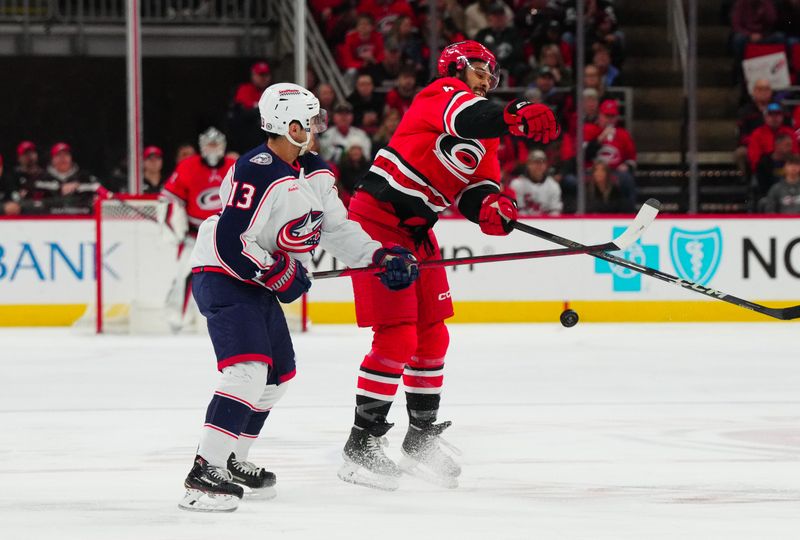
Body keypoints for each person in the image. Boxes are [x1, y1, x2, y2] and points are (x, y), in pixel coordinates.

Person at [179, 82, 418, 512]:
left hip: (255, 279)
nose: (314, 128)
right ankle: (203, 473)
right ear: (286, 124)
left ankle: (232, 459)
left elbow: (337, 228)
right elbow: (234, 241)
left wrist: (377, 255)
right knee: (248, 372)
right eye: (307, 121)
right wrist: (276, 271)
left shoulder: (316, 172)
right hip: (223, 273)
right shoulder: (257, 167)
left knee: (276, 378)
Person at [337, 40, 558, 491]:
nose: (485, 79)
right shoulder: (440, 94)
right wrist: (515, 110)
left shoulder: (487, 131)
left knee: (433, 333)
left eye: (491, 74)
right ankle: (360, 444)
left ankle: (419, 438)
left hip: (420, 232)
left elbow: (475, 189)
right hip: (377, 222)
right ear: (457, 67)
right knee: (396, 334)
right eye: (479, 69)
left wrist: (493, 208)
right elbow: (468, 117)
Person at [160, 128, 236, 332]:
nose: (212, 150)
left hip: (225, 232)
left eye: (216, 145)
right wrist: (175, 227)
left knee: (237, 274)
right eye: (208, 145)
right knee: (185, 272)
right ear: (201, 147)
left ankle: (240, 315)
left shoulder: (234, 166)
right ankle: (177, 315)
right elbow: (169, 198)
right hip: (195, 232)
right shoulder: (188, 165)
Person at [20, 142, 101, 215]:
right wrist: (59, 188)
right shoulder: (42, 176)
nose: (62, 158)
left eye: (66, 154)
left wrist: (78, 186)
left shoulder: (83, 176)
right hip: (48, 219)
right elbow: (28, 193)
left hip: (81, 217)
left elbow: (98, 189)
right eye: (58, 155)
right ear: (52, 159)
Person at [229, 62, 273, 153]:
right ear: (253, 75)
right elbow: (242, 114)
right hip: (246, 142)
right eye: (260, 75)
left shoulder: (273, 91)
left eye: (266, 75)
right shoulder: (245, 89)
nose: (263, 78)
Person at [509, 150, 563, 215]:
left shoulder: (553, 186)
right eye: (536, 162)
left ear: (546, 165)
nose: (539, 166)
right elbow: (517, 211)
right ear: (528, 164)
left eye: (542, 162)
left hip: (546, 223)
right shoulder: (517, 184)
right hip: (523, 222)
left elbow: (555, 212)